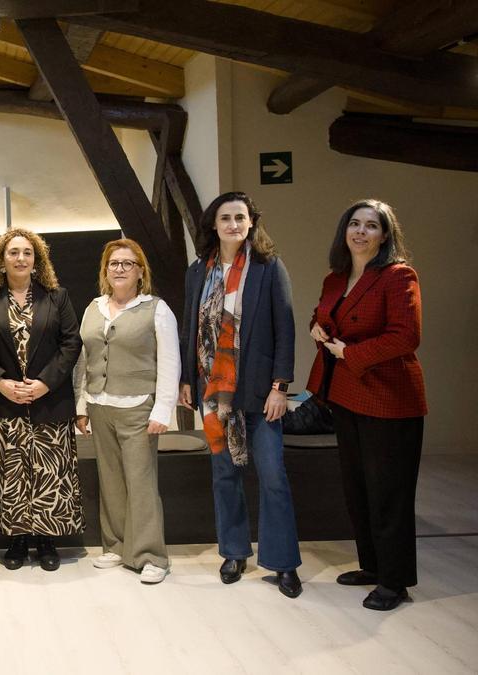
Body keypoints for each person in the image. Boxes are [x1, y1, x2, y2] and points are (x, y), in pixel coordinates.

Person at [178, 191, 302, 598]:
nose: (233, 224)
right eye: (225, 218)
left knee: (273, 477)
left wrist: (280, 387)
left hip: (260, 393)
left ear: (251, 223)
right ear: (213, 225)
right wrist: (187, 382)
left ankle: (282, 562)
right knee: (225, 477)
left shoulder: (268, 267)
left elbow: (285, 328)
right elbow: (190, 332)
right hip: (215, 395)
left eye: (240, 217)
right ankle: (233, 552)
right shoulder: (198, 271)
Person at [306, 199, 426, 611]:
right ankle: (373, 567)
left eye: (371, 226)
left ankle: (395, 583)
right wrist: (316, 328)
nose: (360, 232)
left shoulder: (397, 276)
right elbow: (322, 315)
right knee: (357, 489)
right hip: (346, 395)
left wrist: (346, 353)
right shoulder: (336, 278)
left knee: (388, 492)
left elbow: (405, 337)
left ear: (385, 235)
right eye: (354, 224)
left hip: (389, 399)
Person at [0, 228, 83, 571]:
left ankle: (46, 540)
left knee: (48, 472)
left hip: (48, 400)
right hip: (3, 402)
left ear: (37, 260)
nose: (20, 258)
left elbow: (71, 344)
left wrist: (46, 383)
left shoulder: (57, 296)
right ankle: (16, 538)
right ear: (1, 261)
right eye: (13, 252)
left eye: (27, 253)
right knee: (11, 471)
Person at [75, 239, 179, 584]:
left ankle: (151, 555)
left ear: (140, 272)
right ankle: (117, 545)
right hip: (100, 406)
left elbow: (169, 361)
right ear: (105, 270)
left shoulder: (157, 309)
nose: (119, 268)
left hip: (138, 407)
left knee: (141, 482)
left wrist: (163, 408)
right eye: (113, 263)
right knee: (112, 481)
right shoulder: (94, 308)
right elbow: (84, 360)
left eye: (127, 263)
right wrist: (81, 405)